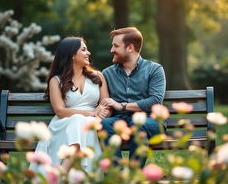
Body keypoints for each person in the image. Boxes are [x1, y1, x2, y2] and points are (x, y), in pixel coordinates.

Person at [30, 36, 109, 174]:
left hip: (92, 123)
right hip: (64, 124)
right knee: (78, 119)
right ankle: (67, 175)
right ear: (72, 55)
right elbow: (60, 111)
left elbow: (106, 106)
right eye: (84, 50)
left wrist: (100, 115)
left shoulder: (98, 77)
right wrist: (91, 113)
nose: (88, 53)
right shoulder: (56, 81)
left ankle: (62, 173)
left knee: (86, 123)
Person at [100, 27, 166, 166]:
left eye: (116, 46)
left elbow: (155, 101)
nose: (111, 50)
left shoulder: (154, 69)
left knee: (138, 124)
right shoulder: (107, 73)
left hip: (150, 121)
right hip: (121, 120)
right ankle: (118, 178)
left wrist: (122, 105)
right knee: (105, 124)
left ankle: (134, 177)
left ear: (130, 47)